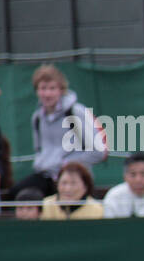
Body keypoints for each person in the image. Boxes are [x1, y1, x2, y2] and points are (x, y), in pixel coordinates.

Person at [11, 64, 108, 200]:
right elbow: (39, 151)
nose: (47, 94)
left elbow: (99, 152)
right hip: (46, 177)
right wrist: (44, 164)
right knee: (18, 195)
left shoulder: (75, 113)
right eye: (43, 88)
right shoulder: (37, 117)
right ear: (37, 91)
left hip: (74, 179)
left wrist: (67, 165)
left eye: (52, 88)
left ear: (61, 90)